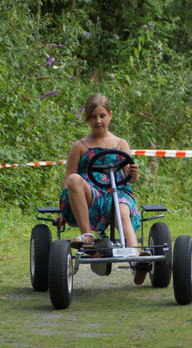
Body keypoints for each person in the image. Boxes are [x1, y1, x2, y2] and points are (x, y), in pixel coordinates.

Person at [58, 93, 150, 285]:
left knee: (123, 211)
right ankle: (88, 237)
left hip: (119, 193)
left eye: (102, 116)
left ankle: (136, 260)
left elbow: (131, 179)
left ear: (110, 115)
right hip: (93, 195)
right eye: (93, 117)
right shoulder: (79, 146)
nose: (98, 121)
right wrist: (62, 212)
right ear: (87, 119)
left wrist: (134, 173)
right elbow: (68, 180)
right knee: (75, 179)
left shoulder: (120, 143)